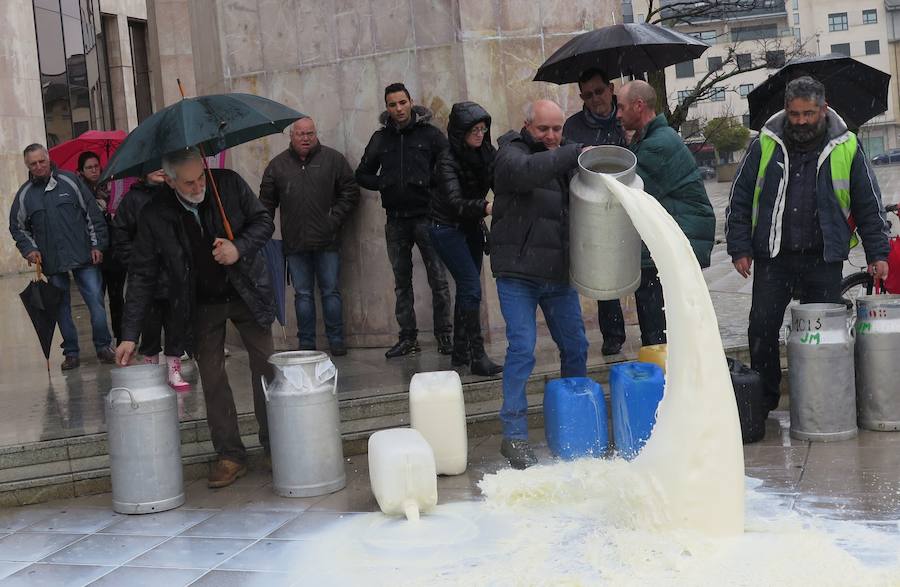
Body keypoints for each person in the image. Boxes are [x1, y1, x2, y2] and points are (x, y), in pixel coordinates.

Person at [727, 75, 890, 412]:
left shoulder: (847, 147)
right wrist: (739, 247)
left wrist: (878, 253)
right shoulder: (764, 144)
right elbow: (740, 199)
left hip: (823, 259)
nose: (800, 121)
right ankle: (764, 399)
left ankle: (822, 399)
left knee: (822, 335)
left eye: (808, 114)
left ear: (823, 109)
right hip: (774, 257)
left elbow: (868, 205)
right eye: (794, 113)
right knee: (762, 329)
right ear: (786, 111)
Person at [115, 148, 276, 488]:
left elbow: (263, 221)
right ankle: (230, 454)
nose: (197, 186)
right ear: (169, 181)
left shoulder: (228, 184)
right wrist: (129, 334)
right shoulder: (155, 214)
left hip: (246, 290)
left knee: (267, 368)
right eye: (188, 182)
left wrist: (238, 247)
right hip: (200, 303)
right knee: (213, 378)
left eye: (201, 176)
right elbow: (142, 274)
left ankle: (275, 445)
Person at [491, 100, 590, 469]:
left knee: (576, 345)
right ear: (526, 126)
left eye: (557, 129)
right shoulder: (509, 153)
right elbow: (527, 173)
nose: (551, 136)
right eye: (543, 129)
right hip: (517, 273)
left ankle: (575, 421)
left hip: (557, 274)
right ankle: (514, 437)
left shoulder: (566, 158)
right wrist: (571, 152)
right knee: (522, 350)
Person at [356, 82, 453, 358]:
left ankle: (444, 334)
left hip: (427, 217)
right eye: (392, 104)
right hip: (395, 220)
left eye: (402, 102)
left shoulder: (431, 135)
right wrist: (383, 183)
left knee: (438, 279)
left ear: (411, 102)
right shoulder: (380, 139)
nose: (398, 109)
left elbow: (448, 169)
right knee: (401, 281)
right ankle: (407, 337)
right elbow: (361, 173)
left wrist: (430, 186)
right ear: (386, 108)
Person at [616, 80, 716, 346]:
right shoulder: (652, 137)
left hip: (673, 244)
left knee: (658, 329)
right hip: (676, 240)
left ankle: (663, 379)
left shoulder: (657, 144)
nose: (617, 114)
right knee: (667, 326)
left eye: (622, 107)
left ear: (639, 106)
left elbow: (630, 190)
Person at [259, 116, 360, 356]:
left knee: (331, 291)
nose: (306, 138)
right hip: (295, 243)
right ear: (291, 136)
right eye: (300, 134)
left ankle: (336, 341)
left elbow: (351, 192)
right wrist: (260, 234)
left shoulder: (334, 160)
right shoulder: (277, 166)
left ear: (316, 134)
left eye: (310, 133)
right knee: (302, 295)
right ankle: (306, 344)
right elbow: (265, 205)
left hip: (327, 241)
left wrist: (333, 220)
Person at [9, 143, 115, 370]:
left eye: (41, 161)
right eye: (33, 164)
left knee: (96, 303)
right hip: (52, 261)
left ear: (48, 159)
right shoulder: (25, 195)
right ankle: (71, 354)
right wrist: (29, 249)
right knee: (61, 309)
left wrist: (98, 246)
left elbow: (92, 214)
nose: (38, 166)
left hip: (84, 256)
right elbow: (17, 228)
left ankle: (104, 347)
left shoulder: (71, 181)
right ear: (27, 166)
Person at [430, 101, 503, 376]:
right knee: (471, 286)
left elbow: (501, 180)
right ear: (460, 131)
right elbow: (455, 202)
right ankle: (476, 354)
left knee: (468, 290)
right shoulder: (447, 158)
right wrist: (486, 207)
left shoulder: (487, 153)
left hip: (470, 226)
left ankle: (460, 352)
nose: (480, 134)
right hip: (446, 227)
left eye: (483, 128)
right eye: (474, 129)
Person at [563, 68, 629, 356]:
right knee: (605, 270)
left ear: (611, 88)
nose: (595, 99)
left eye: (599, 91)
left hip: (632, 198)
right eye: (587, 95)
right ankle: (613, 335)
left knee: (645, 268)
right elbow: (568, 168)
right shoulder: (573, 127)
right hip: (597, 205)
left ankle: (657, 332)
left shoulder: (625, 115)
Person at [111, 169, 191, 392]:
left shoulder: (176, 196)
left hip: (174, 276)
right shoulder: (133, 199)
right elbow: (120, 234)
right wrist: (135, 259)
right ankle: (151, 367)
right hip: (147, 276)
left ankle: (174, 368)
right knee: (150, 327)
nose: (159, 171)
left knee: (175, 324)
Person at [78, 150, 126, 346]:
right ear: (81, 171)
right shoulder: (79, 192)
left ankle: (122, 336)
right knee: (97, 300)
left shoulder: (111, 187)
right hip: (92, 253)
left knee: (116, 297)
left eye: (96, 166)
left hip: (114, 251)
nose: (94, 170)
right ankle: (102, 342)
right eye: (89, 167)